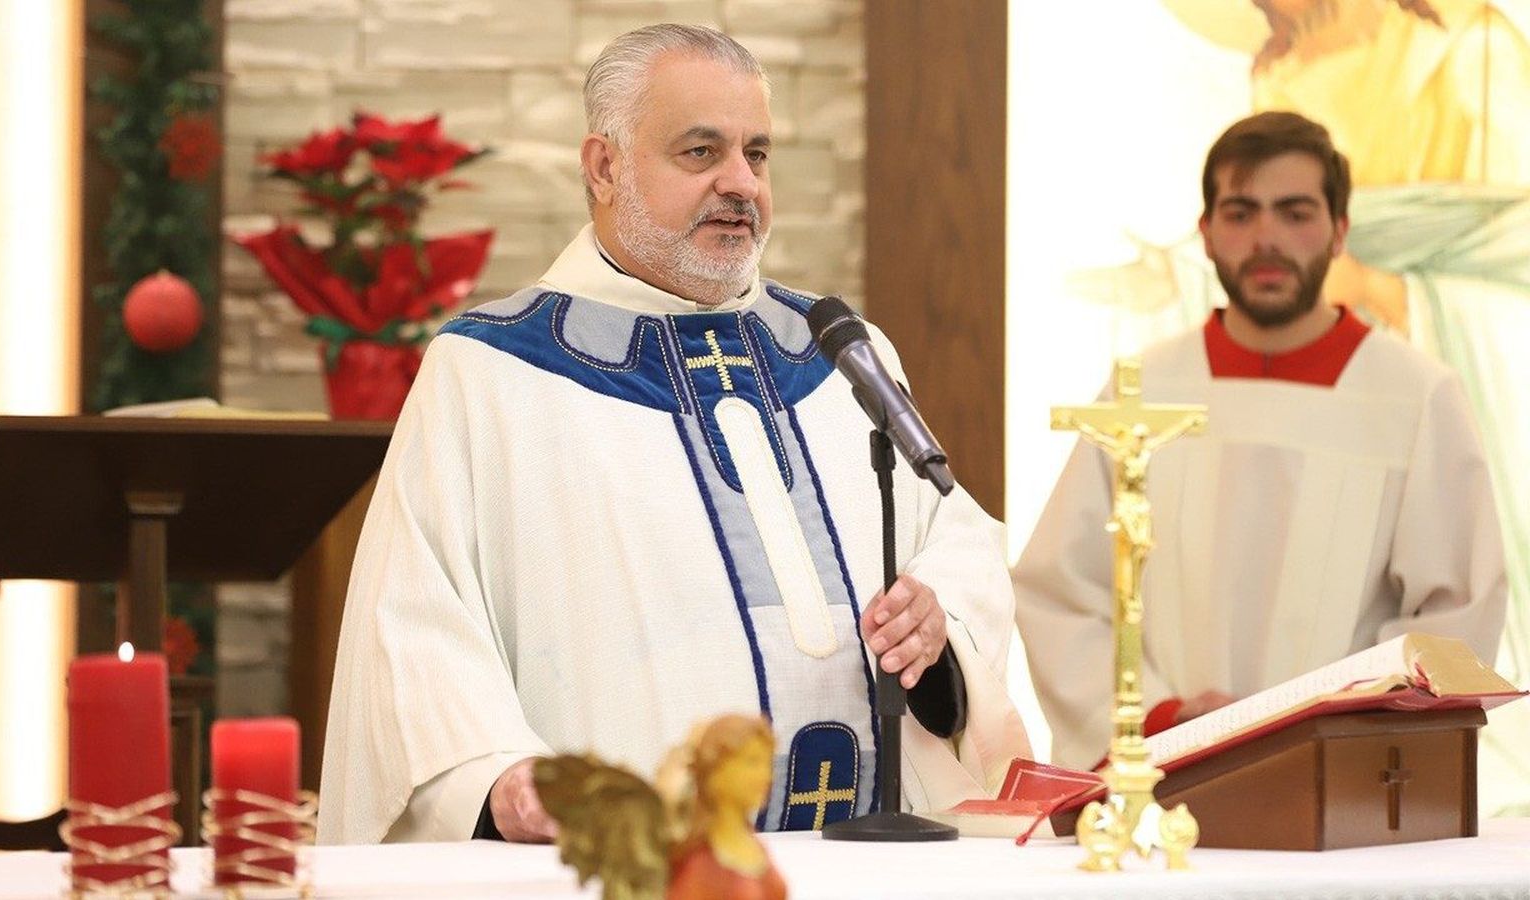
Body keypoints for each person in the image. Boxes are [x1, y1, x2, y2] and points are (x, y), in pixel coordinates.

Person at [318, 24, 1031, 844]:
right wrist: (494, 774)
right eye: (701, 153)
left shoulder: (840, 354)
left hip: (871, 862)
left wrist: (938, 633)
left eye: (757, 155)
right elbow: (412, 625)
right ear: (603, 166)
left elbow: (956, 540)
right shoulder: (492, 372)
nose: (741, 185)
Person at [1014, 111, 1508, 770]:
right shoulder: (1145, 391)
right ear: (1207, 233)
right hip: (1165, 775)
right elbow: (1061, 596)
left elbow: (1454, 620)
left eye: (1295, 212)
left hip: (1340, 783)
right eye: (1241, 213)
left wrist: (1316, 727)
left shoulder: (1415, 396)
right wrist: (1161, 719)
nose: (1266, 238)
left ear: (1339, 232)